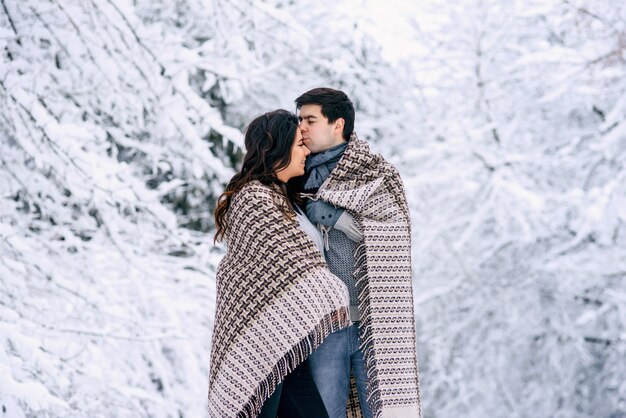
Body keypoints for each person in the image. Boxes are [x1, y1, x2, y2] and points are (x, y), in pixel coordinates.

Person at [208, 109, 351, 418]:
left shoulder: (285, 200)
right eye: (299, 144)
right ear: (278, 147)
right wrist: (331, 290)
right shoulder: (253, 199)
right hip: (260, 347)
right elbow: (286, 265)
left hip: (289, 345)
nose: (305, 151)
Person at [294, 88, 423, 417]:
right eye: (299, 120)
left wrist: (334, 216)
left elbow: (394, 235)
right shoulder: (293, 174)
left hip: (374, 325)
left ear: (337, 125)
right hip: (323, 326)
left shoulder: (376, 174)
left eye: (310, 120)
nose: (302, 128)